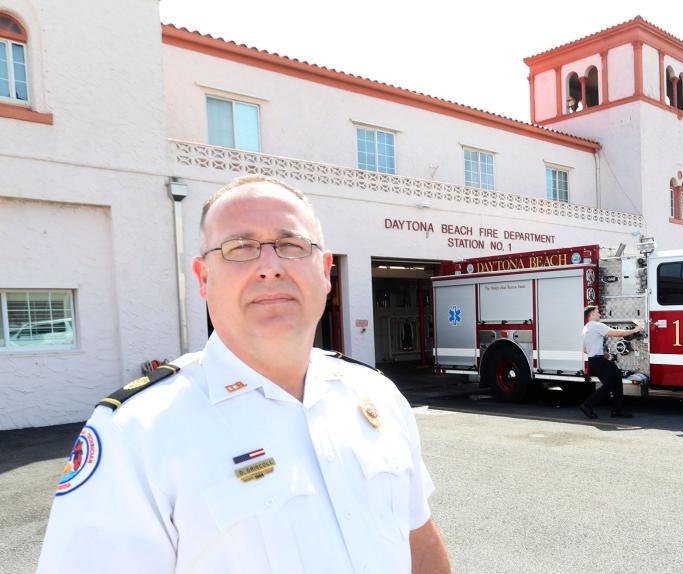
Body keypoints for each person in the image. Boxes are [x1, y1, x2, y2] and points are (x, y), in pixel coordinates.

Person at [38, 175, 451, 574]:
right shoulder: (136, 435)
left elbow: (418, 542)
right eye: (240, 247)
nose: (269, 267)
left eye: (290, 244)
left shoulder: (376, 396)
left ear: (325, 272)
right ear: (203, 278)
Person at [579, 305, 644, 420]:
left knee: (617, 376)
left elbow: (584, 349)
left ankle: (617, 410)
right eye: (597, 312)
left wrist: (602, 352)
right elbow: (616, 333)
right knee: (609, 385)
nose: (599, 314)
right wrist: (634, 330)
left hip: (595, 360)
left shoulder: (586, 328)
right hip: (598, 361)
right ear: (592, 314)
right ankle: (587, 405)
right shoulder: (596, 325)